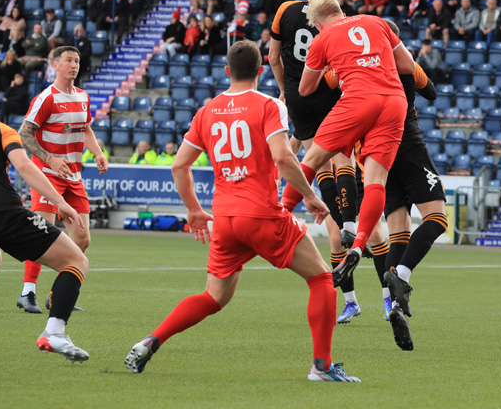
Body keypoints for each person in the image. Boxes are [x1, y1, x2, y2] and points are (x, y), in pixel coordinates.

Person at [125, 40, 358, 381]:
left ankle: (151, 339)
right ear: (261, 71)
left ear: (226, 72)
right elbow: (282, 157)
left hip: (225, 220)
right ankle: (321, 366)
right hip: (262, 215)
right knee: (322, 278)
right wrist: (309, 195)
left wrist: (193, 210)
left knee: (214, 296)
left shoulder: (207, 111)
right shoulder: (268, 105)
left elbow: (179, 166)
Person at [280, 0, 415, 288]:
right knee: (376, 181)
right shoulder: (376, 21)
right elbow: (407, 65)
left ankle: (281, 213)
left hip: (358, 99)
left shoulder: (322, 38)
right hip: (394, 101)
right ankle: (358, 245)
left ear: (317, 20)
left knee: (313, 159)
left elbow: (304, 89)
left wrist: (332, 69)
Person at [0, 77, 92, 360]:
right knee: (76, 259)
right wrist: (60, 202)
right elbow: (25, 167)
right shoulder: (2, 130)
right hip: (3, 213)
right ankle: (54, 333)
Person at [15, 46, 107, 314]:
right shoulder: (46, 98)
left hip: (74, 177)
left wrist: (98, 153)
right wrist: (49, 158)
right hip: (48, 175)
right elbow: (25, 134)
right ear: (55, 65)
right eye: (68, 60)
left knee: (82, 238)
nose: (74, 65)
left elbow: (85, 128)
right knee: (42, 233)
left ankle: (57, 294)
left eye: (77, 61)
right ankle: (27, 291)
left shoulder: (83, 96)